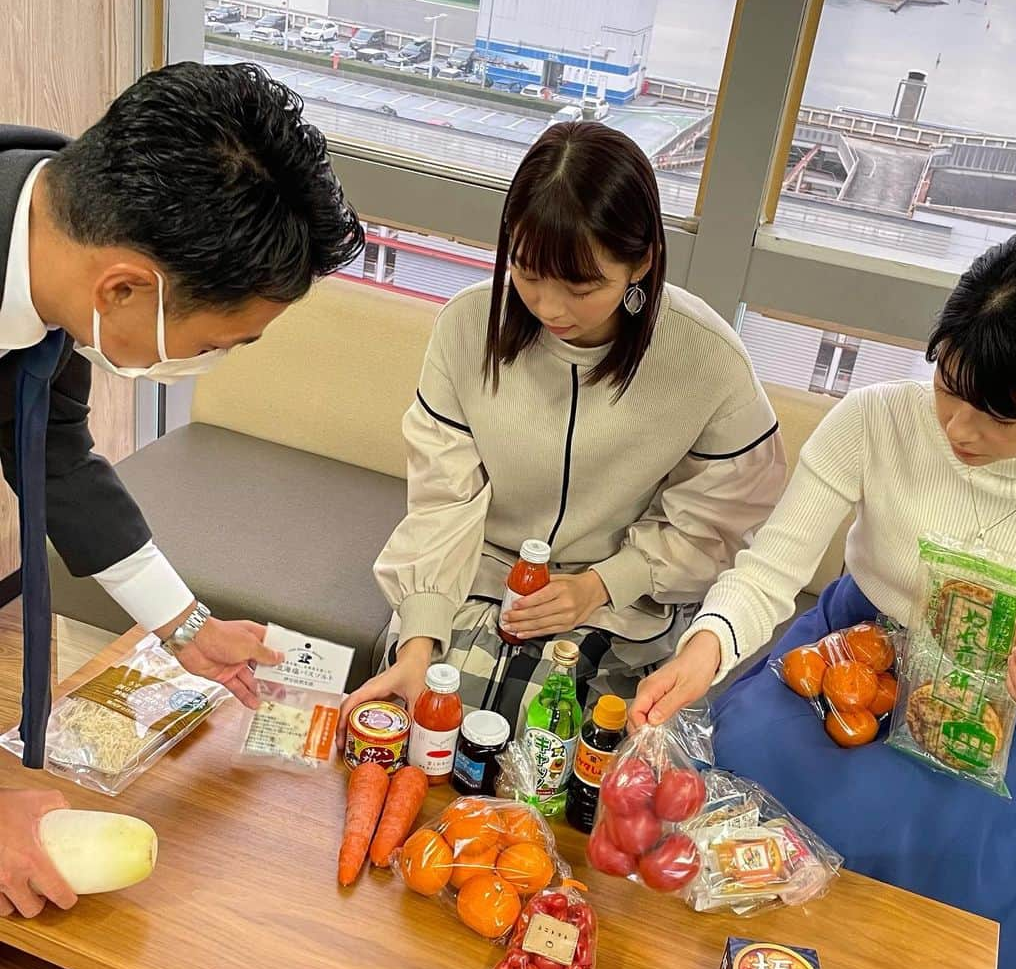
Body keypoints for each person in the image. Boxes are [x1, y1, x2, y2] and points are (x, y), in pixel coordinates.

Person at [632, 224, 1016, 969]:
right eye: (949, 382)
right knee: (745, 758)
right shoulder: (879, 419)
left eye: (1000, 412)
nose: (957, 424)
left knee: (977, 864)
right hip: (843, 665)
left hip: (992, 720)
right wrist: (704, 651)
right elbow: (770, 570)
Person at [0, 61, 363, 918]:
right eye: (227, 341)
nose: (218, 361)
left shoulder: (52, 230)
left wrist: (184, 626)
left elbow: (52, 451)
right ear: (125, 287)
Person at [343, 122, 785, 732]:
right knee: (420, 721)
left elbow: (726, 518)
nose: (549, 308)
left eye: (581, 287)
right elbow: (444, 499)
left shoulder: (705, 358)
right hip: (477, 575)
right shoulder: (470, 326)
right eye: (526, 272)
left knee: (563, 743)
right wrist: (419, 639)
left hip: (623, 598)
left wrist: (602, 585)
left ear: (642, 261)